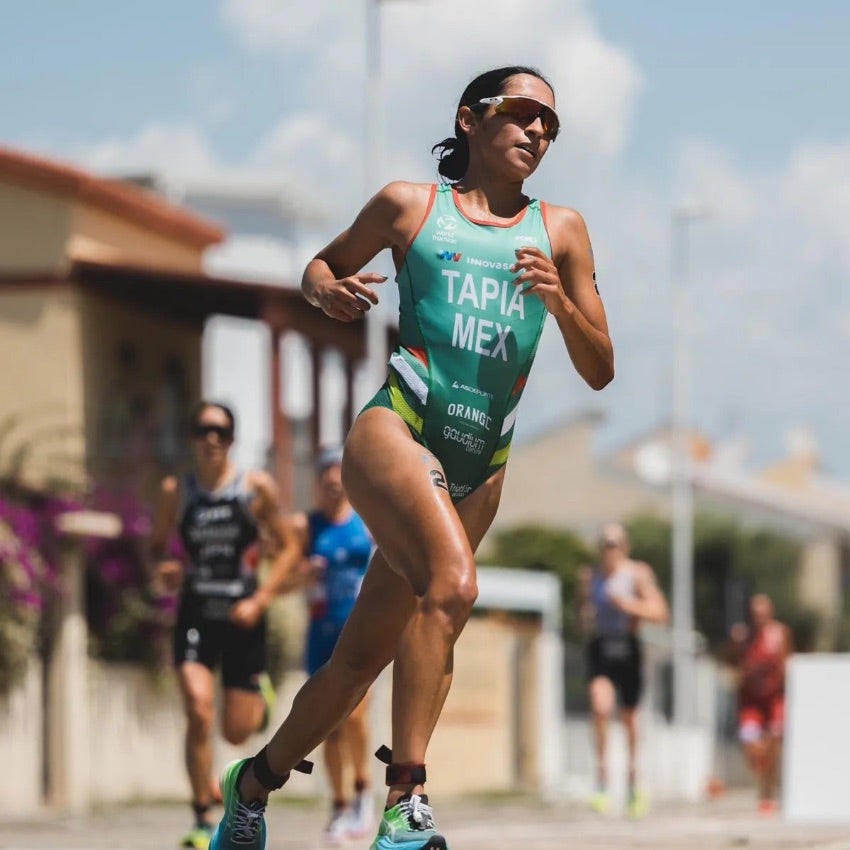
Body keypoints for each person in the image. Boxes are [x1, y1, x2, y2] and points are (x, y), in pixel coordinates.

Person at [208, 65, 614, 850]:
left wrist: (561, 303)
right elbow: (319, 266)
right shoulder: (410, 206)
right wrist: (325, 291)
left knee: (359, 661)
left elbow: (600, 367)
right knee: (455, 587)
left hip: (481, 465)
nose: (537, 132)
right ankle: (406, 801)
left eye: (551, 126)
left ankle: (252, 788)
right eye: (523, 114)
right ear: (470, 119)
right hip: (398, 428)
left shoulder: (561, 231)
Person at [149, 401, 302, 850]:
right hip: (196, 613)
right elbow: (157, 547)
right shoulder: (176, 489)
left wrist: (260, 598)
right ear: (193, 437)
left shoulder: (254, 487)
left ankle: (261, 699)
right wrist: (165, 568)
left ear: (232, 438)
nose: (211, 438)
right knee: (197, 707)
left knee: (237, 731)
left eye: (220, 430)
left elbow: (290, 548)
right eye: (203, 430)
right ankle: (201, 815)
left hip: (242, 619)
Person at [288, 446, 376, 842]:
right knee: (328, 728)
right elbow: (283, 581)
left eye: (338, 479)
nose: (332, 486)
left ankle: (362, 790)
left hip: (359, 635)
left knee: (355, 716)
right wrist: (303, 575)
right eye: (325, 480)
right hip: (320, 637)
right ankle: (338, 804)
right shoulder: (305, 528)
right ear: (318, 485)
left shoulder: (367, 523)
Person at [577, 522, 669, 818]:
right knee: (600, 706)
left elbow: (659, 612)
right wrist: (585, 618)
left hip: (628, 649)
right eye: (605, 543)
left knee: (629, 716)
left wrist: (627, 605)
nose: (610, 549)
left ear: (624, 547)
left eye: (615, 543)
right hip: (602, 648)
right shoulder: (590, 577)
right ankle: (602, 777)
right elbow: (581, 616)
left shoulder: (637, 574)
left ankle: (633, 778)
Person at [729, 593, 792, 815]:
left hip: (773, 698)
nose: (759, 618)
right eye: (755, 614)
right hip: (751, 702)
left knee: (774, 740)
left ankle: (768, 792)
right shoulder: (742, 637)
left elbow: (785, 666)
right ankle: (764, 778)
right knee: (751, 745)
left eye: (762, 614)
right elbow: (734, 666)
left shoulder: (780, 634)